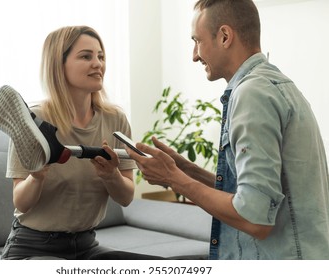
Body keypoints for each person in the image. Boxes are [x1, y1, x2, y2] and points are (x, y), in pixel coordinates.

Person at [126, 0, 329, 260]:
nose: (194, 55)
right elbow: (258, 195)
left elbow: (254, 217)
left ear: (224, 36)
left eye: (197, 41)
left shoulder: (252, 94)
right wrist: (185, 170)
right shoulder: (278, 85)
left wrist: (174, 179)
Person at [0, 25, 138, 260]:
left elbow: (125, 198)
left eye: (101, 56)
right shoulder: (34, 121)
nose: (98, 64)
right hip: (31, 248)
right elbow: (20, 203)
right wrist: (37, 176)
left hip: (86, 246)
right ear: (59, 65)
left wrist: (111, 176)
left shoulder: (115, 119)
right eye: (86, 56)